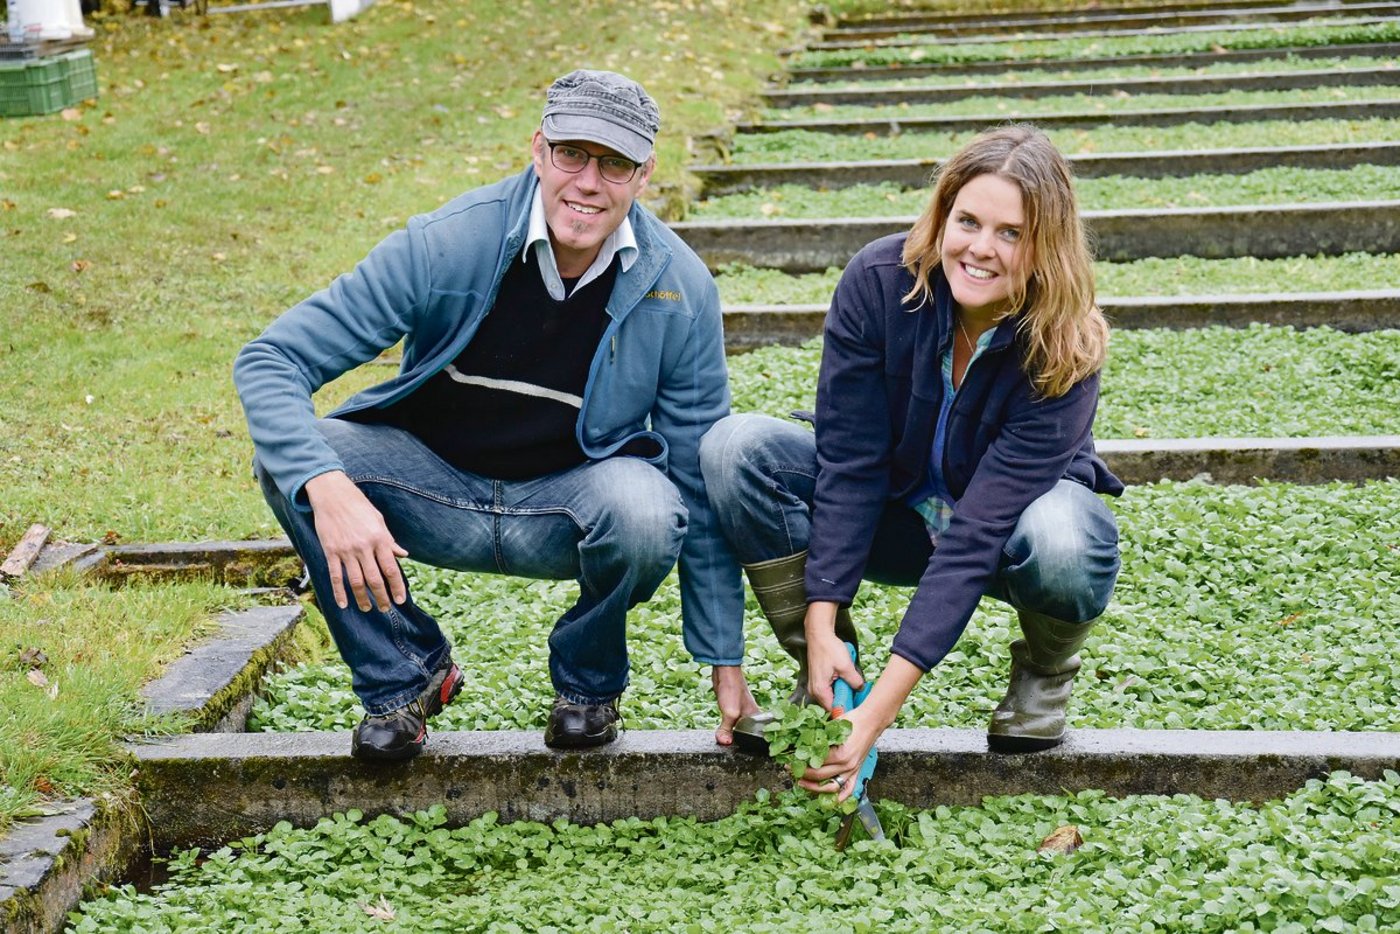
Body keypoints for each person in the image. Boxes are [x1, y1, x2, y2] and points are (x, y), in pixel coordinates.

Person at [235, 69, 759, 761]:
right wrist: (328, 489)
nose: (588, 182)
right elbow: (271, 360)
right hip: (431, 488)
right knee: (299, 463)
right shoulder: (446, 244)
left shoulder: (680, 287)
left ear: (644, 174)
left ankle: (588, 688)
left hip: (568, 506)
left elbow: (696, 473)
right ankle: (404, 678)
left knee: (649, 510)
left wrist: (728, 667)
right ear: (538, 150)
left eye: (615, 163)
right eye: (572, 154)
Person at [699, 124, 1123, 794]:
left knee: (1065, 538)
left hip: (1006, 538)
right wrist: (821, 619)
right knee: (737, 448)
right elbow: (850, 461)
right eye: (968, 221)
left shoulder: (1066, 345)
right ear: (942, 215)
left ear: (1047, 245)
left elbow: (979, 534)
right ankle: (829, 668)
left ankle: (1045, 672)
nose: (981, 249)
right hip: (893, 515)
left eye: (1011, 233)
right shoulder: (878, 283)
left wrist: (878, 716)